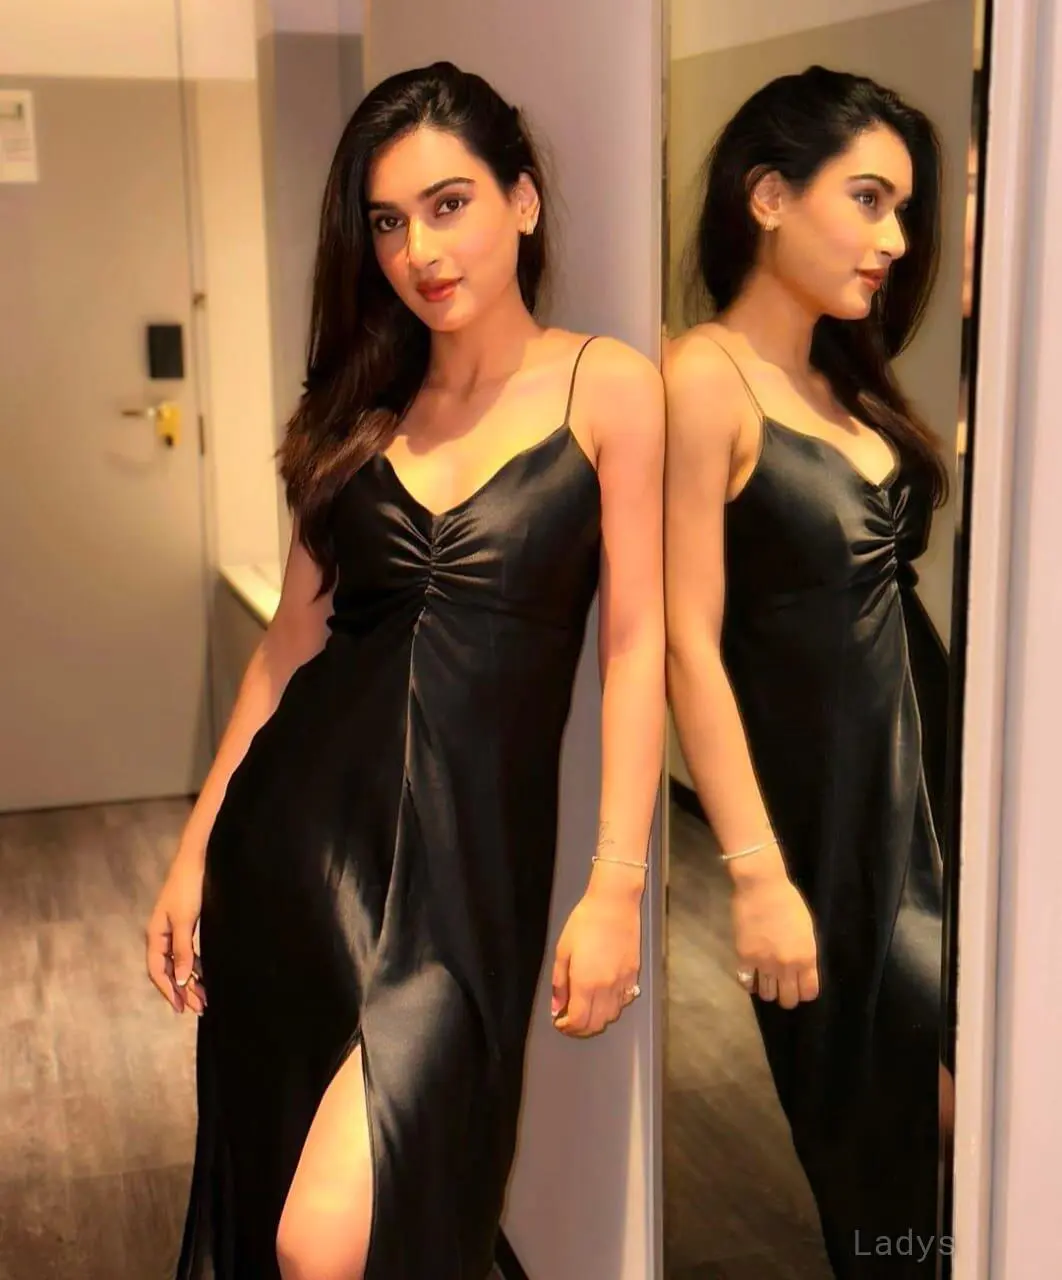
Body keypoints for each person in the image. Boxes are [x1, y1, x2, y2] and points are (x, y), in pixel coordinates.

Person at [146, 61, 665, 1280]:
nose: (418, 249)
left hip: (463, 874)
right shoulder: (361, 409)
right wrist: (193, 847)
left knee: (330, 1235)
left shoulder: (607, 387)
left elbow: (636, 642)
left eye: (448, 204)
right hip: (294, 852)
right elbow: (290, 644)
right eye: (387, 221)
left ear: (522, 201)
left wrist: (618, 882)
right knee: (298, 1214)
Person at [664, 66, 950, 1276]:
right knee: (888, 1158)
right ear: (769, 195)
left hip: (947, 788)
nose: (895, 240)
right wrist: (756, 874)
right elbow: (685, 641)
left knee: (980, 1130)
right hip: (840, 835)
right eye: (870, 199)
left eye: (904, 211)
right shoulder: (700, 377)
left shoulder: (847, 380)